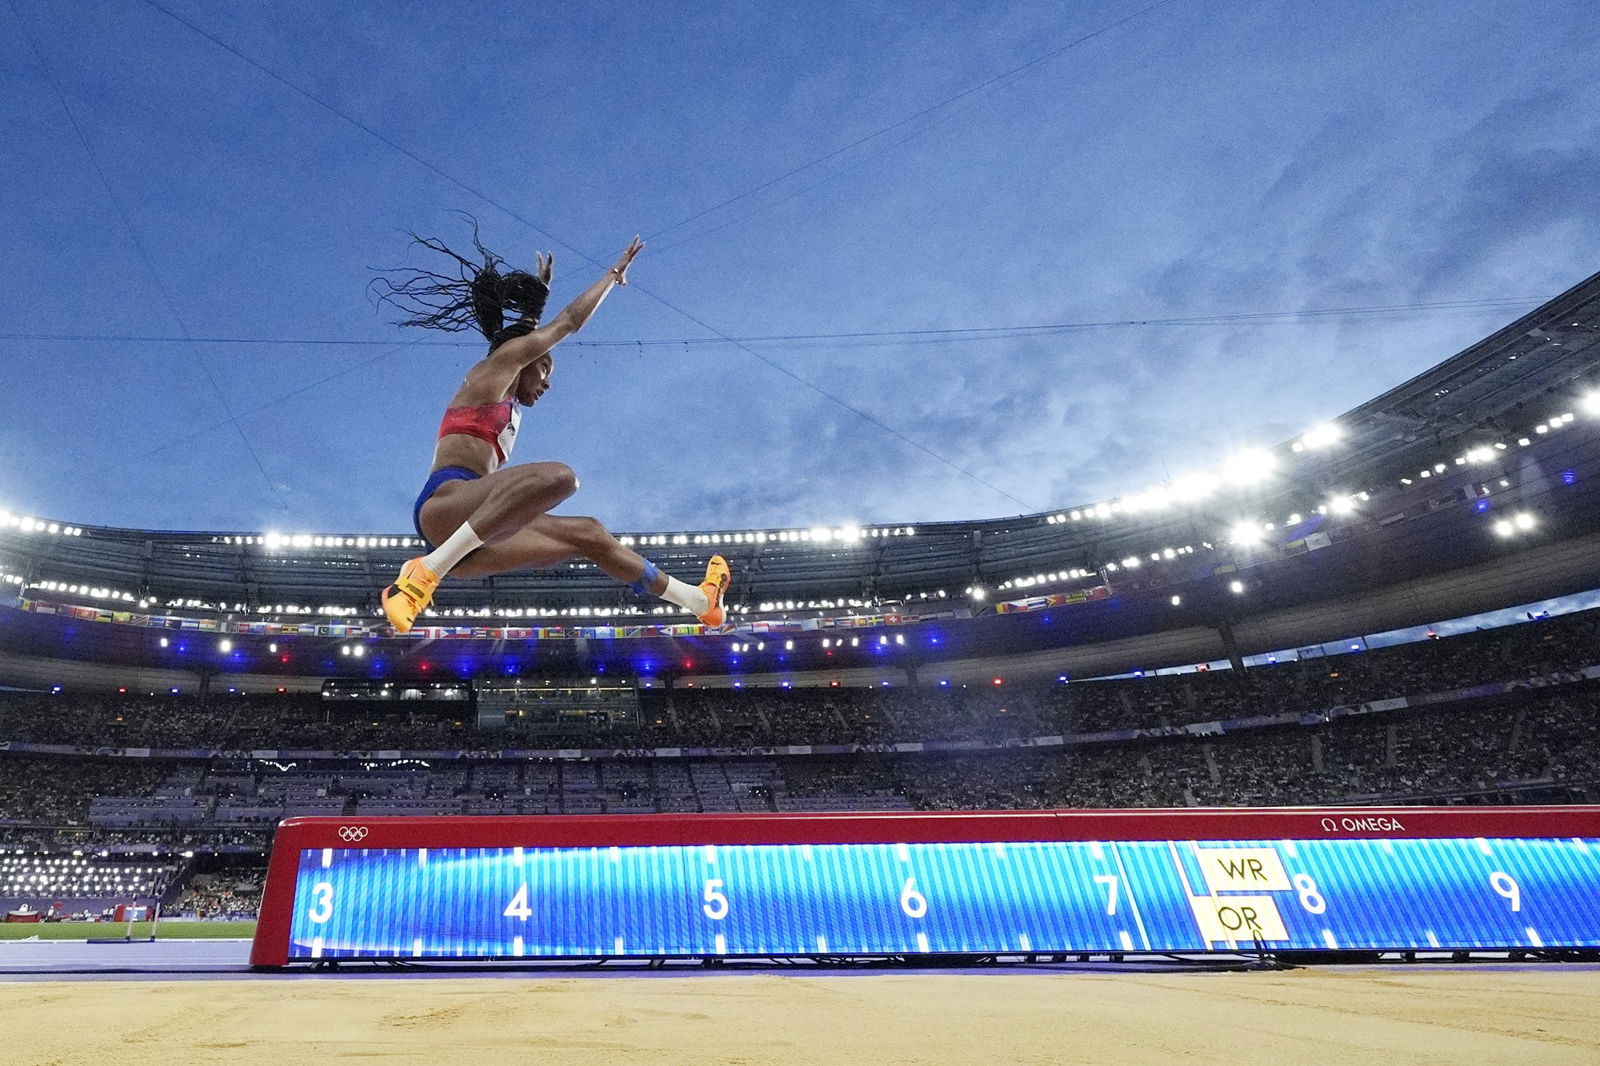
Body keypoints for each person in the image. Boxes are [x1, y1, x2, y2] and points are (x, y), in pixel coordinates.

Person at [372, 226, 729, 633]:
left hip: (472, 541)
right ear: (524, 359)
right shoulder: (493, 372)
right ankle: (424, 572)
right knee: (559, 478)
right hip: (445, 506)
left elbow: (530, 337)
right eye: (545, 367)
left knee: (590, 533)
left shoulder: (508, 388)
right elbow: (568, 324)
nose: (548, 382)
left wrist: (533, 307)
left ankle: (701, 601)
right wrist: (614, 273)